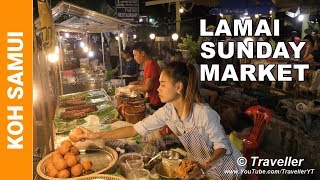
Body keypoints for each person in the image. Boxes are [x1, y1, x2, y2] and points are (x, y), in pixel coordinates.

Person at [76, 61, 244, 179]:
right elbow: (134, 129)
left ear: (178, 87)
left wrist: (203, 167)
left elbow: (221, 147)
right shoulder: (168, 111)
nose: (158, 88)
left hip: (225, 168)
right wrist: (95, 135)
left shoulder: (204, 113)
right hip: (200, 169)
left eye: (163, 84)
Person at [129, 42, 163, 110]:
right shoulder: (148, 64)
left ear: (142, 53)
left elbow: (147, 88)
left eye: (135, 55)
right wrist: (137, 82)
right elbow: (148, 81)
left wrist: (134, 88)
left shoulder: (150, 65)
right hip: (152, 99)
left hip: (156, 101)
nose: (134, 58)